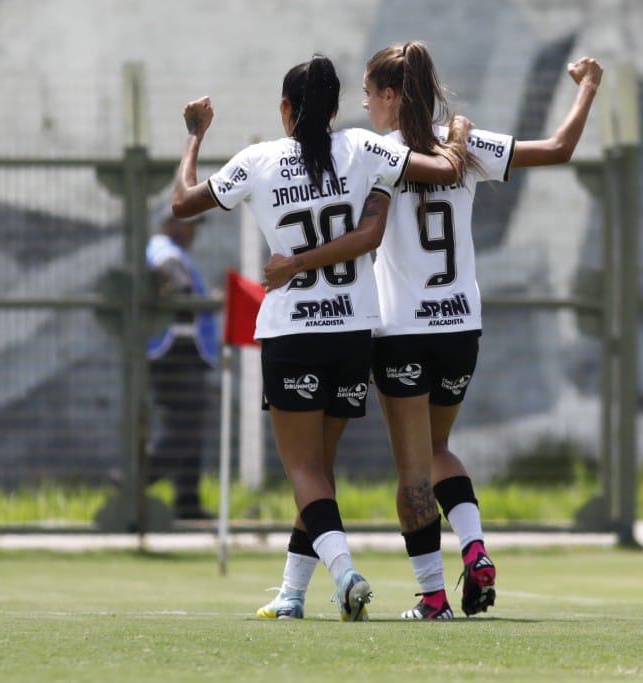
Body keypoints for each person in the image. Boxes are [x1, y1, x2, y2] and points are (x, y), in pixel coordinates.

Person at [265, 42, 603, 619]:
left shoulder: (379, 152)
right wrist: (588, 88)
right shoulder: (461, 143)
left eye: (371, 95)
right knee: (440, 449)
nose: (366, 106)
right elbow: (560, 148)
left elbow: (363, 225)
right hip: (461, 325)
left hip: (401, 331)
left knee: (413, 473)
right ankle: (474, 547)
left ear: (392, 96)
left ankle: (432, 597)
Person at [171, 54, 471, 621]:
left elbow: (183, 202)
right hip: (354, 332)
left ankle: (345, 573)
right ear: (336, 109)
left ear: (285, 109)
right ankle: (290, 593)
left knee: (304, 472)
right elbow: (439, 173)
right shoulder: (363, 147)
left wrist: (195, 137)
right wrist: (456, 137)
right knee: (320, 472)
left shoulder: (259, 161)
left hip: (293, 333)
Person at [145, 208, 220, 520]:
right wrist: (212, 302)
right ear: (168, 223)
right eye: (188, 224)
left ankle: (187, 501)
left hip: (183, 353)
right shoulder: (166, 254)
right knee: (183, 429)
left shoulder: (170, 253)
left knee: (190, 428)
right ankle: (135, 480)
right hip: (175, 353)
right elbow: (181, 294)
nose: (194, 232)